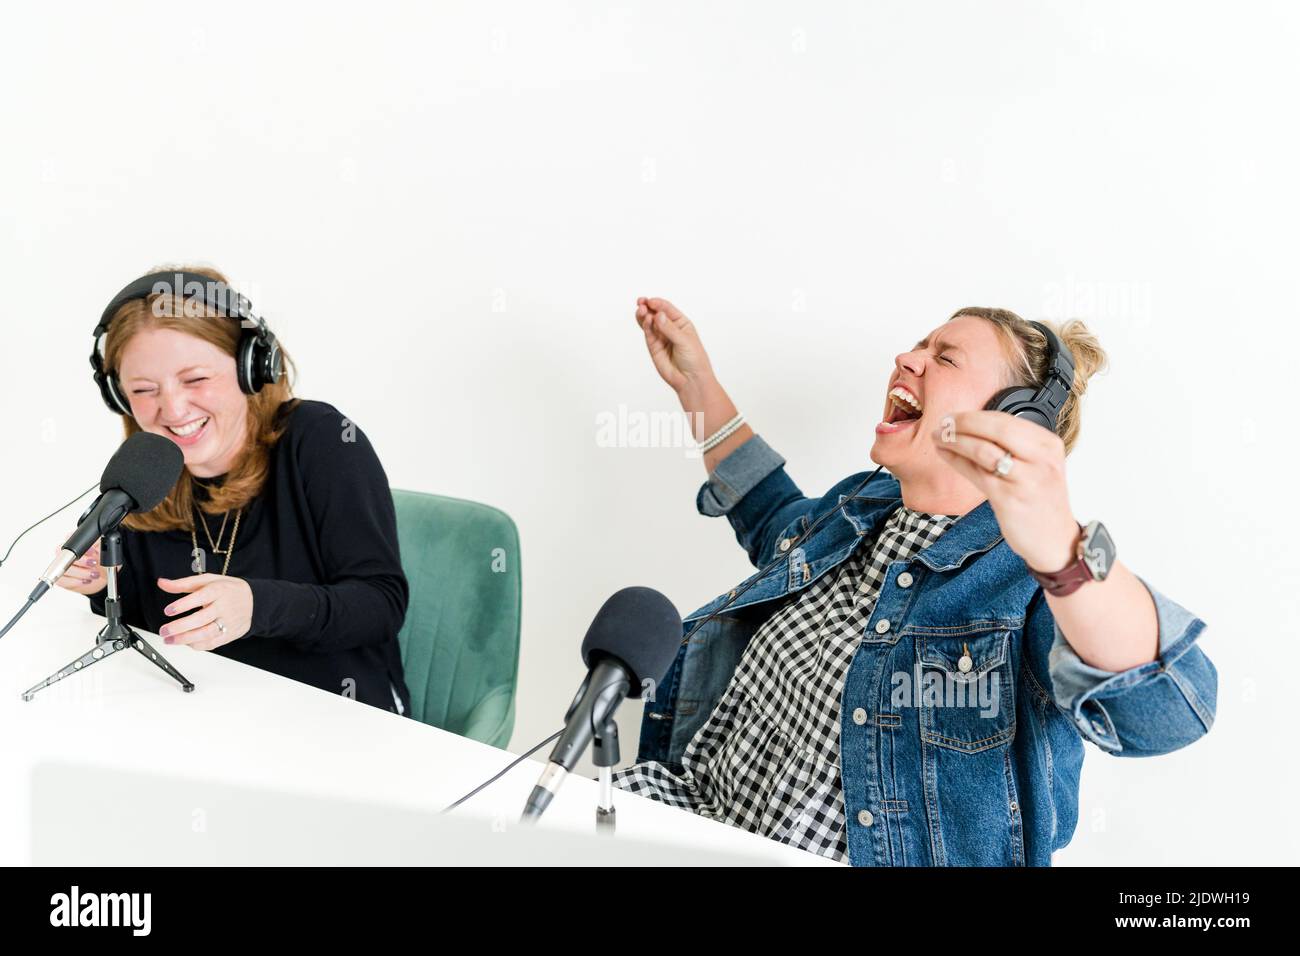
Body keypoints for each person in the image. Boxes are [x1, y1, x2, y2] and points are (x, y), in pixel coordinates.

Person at [614, 296, 1216, 866]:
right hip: (683, 825)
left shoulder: (1030, 585)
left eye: (945, 357)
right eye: (917, 346)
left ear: (1014, 418)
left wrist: (1061, 548)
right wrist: (697, 384)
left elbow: (1167, 710)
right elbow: (771, 512)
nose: (906, 360)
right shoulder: (861, 506)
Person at [55, 267, 411, 715]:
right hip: (202, 712)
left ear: (251, 368)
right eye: (144, 389)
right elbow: (148, 627)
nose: (174, 409)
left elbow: (380, 604)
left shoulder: (321, 441)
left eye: (196, 379)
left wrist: (257, 605)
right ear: (119, 397)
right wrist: (104, 583)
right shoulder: (145, 470)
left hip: (334, 714)